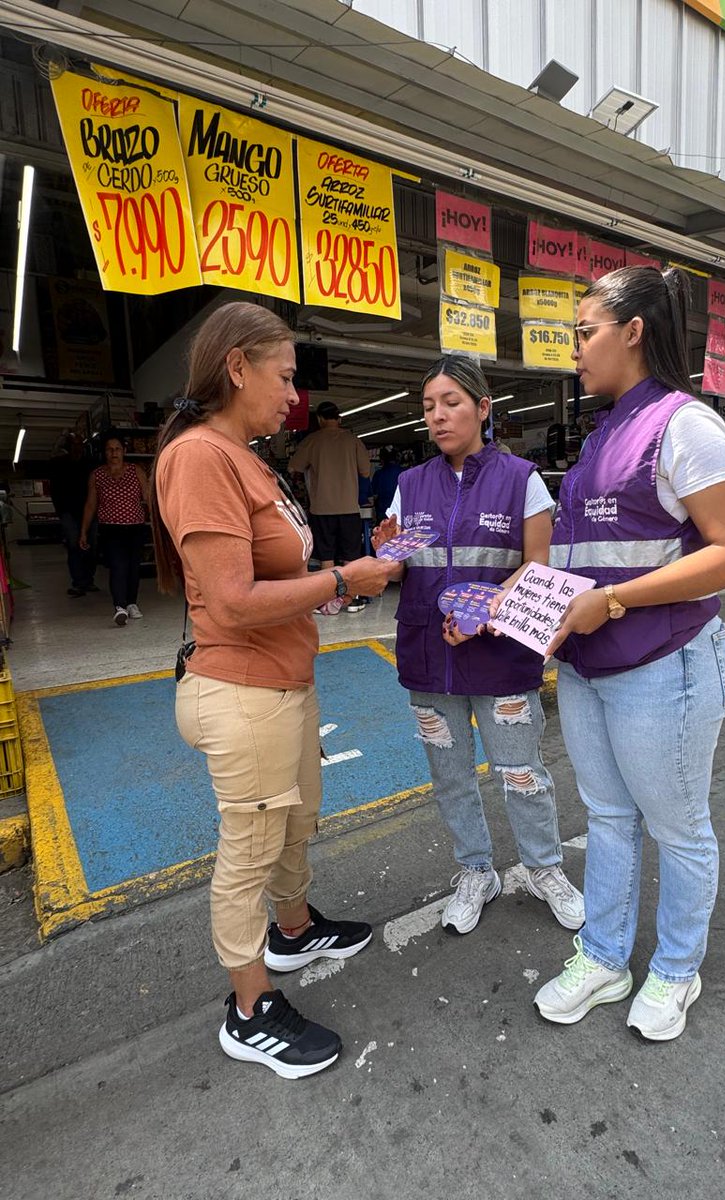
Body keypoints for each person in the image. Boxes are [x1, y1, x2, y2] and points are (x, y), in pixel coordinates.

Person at [150, 302, 394, 1078]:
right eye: (285, 377)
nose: (293, 397)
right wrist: (340, 575)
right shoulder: (199, 458)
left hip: (285, 681)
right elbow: (229, 602)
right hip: (241, 688)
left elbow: (275, 577)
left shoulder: (251, 457)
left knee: (295, 823)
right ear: (236, 367)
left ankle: (292, 931)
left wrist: (337, 587)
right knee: (250, 851)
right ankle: (250, 1008)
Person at [532, 267, 725, 1041]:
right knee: (606, 817)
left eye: (584, 332)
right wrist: (525, 605)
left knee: (677, 824)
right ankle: (603, 956)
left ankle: (674, 969)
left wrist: (616, 601)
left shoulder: (684, 425)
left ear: (633, 331)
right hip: (592, 667)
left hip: (664, 663)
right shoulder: (601, 435)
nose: (575, 352)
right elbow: (585, 558)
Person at [373, 356, 584, 937]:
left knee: (520, 771)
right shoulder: (409, 485)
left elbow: (537, 566)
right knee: (450, 776)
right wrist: (382, 550)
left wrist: (485, 610)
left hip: (500, 655)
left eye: (451, 403)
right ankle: (476, 871)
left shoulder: (522, 479)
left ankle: (544, 868)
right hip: (428, 657)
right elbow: (393, 571)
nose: (437, 416)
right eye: (428, 406)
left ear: (483, 408)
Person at [288, 400, 370, 613]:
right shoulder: (353, 440)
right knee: (351, 556)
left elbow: (293, 466)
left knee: (327, 556)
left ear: (320, 419)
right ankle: (353, 600)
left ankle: (327, 601)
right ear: (339, 417)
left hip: (322, 509)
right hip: (349, 508)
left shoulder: (312, 441)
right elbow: (366, 471)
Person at [80, 430, 149, 625]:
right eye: (110, 450)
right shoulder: (97, 475)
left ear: (124, 451)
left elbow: (148, 497)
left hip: (135, 527)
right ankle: (120, 605)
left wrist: (161, 523)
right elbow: (91, 504)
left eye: (117, 449)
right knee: (118, 566)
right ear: (105, 453)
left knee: (133, 567)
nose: (114, 453)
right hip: (110, 529)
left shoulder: (136, 471)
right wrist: (84, 531)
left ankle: (132, 603)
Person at [49, 432, 97, 597]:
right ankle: (79, 582)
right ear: (68, 447)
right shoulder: (58, 465)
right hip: (69, 511)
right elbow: (54, 490)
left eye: (80, 445)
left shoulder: (89, 464)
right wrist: (61, 512)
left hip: (90, 510)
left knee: (91, 545)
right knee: (74, 544)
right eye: (74, 445)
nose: (78, 448)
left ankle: (88, 579)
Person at [370, 446, 403, 524]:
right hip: (403, 514)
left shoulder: (379, 474)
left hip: (383, 516)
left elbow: (374, 496)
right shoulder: (405, 473)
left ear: (382, 459)